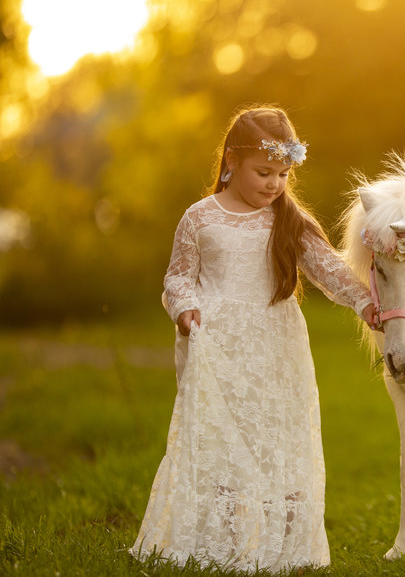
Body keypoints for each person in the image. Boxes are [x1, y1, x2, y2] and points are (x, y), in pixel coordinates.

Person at [130, 106, 376, 571]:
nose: (274, 184)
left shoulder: (287, 219)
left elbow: (329, 271)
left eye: (283, 174)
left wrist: (367, 304)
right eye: (263, 172)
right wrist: (184, 309)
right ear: (231, 161)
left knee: (275, 438)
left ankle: (277, 546)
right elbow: (177, 279)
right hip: (218, 345)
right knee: (223, 438)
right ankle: (221, 542)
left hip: (276, 346)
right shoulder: (200, 218)